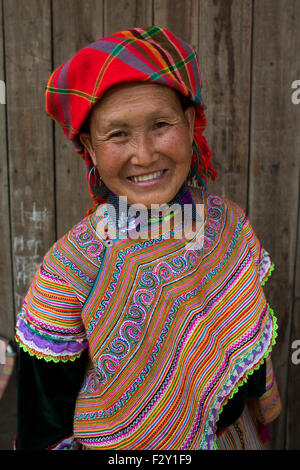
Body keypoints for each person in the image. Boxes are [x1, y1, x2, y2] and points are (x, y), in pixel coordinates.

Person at [15, 26, 281, 450]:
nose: (143, 153)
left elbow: (250, 363)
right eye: (117, 134)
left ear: (191, 123)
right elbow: (43, 418)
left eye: (161, 125)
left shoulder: (228, 225)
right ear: (90, 145)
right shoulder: (71, 268)